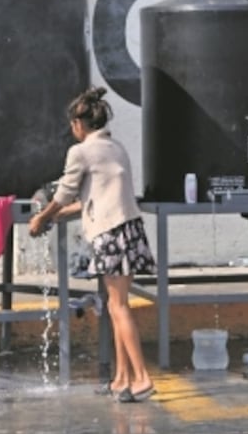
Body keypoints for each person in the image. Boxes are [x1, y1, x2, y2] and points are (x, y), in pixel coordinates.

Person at [29, 86, 157, 402]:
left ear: (78, 124)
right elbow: (96, 196)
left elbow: (64, 193)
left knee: (119, 307)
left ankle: (142, 378)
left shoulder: (81, 151)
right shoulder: (115, 147)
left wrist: (42, 217)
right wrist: (58, 214)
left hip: (110, 234)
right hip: (131, 230)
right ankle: (121, 379)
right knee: (116, 306)